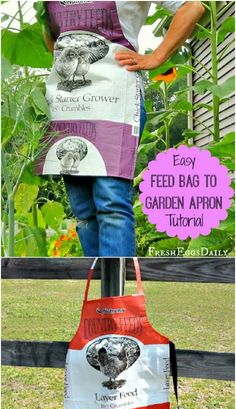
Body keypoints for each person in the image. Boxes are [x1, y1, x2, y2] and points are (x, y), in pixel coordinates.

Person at [39, 0, 205, 257]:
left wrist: (156, 57)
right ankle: (100, 295)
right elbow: (54, 41)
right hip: (68, 102)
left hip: (114, 99)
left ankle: (116, 296)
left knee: (111, 202)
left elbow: (192, 7)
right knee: (82, 209)